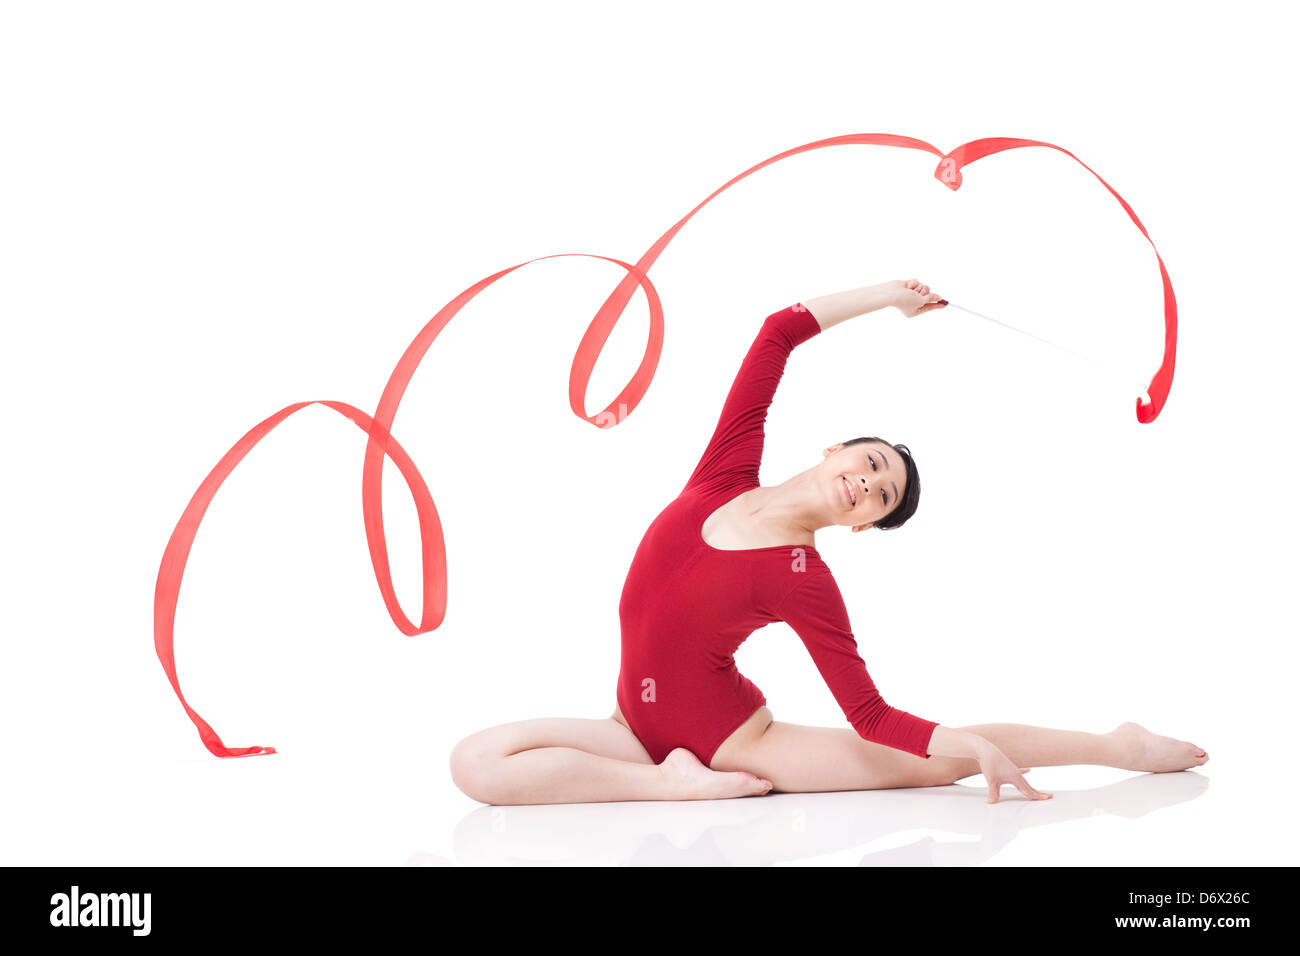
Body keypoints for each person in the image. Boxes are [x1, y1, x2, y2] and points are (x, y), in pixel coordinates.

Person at [450, 279, 1209, 806]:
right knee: (474, 763)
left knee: (928, 767)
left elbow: (871, 716)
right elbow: (777, 333)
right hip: (634, 730)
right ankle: (663, 787)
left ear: (861, 526)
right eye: (870, 464)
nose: (867, 485)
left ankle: (1118, 746)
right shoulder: (723, 473)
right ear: (835, 449)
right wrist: (889, 296)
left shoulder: (801, 576)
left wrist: (971, 747)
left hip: (735, 742)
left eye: (881, 498)